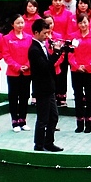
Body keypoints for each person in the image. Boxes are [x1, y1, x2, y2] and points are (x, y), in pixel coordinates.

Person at [28, 19, 63, 152]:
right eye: (44, 33)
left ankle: (48, 142)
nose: (47, 36)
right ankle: (38, 145)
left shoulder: (42, 46)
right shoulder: (34, 49)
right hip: (42, 89)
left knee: (53, 117)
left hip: (49, 88)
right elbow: (45, 66)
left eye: (48, 32)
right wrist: (57, 53)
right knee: (43, 119)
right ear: (36, 33)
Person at [68, 13, 91, 133]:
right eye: (80, 22)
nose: (83, 25)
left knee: (90, 97)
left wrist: (87, 66)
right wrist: (76, 66)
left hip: (89, 71)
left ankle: (89, 123)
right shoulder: (73, 37)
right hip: (76, 71)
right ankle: (80, 123)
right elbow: (70, 54)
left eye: (85, 22)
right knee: (78, 96)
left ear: (89, 22)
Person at [2, 14, 32, 132]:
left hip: (26, 72)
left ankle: (23, 120)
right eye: (18, 23)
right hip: (13, 73)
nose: (20, 25)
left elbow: (32, 53)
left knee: (25, 96)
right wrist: (17, 66)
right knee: (14, 97)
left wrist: (27, 65)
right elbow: (6, 55)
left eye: (22, 23)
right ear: (12, 24)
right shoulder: (6, 38)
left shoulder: (29, 38)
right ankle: (14, 121)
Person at [44, 0, 73, 106]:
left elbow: (69, 30)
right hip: (48, 43)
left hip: (62, 45)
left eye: (60, 0)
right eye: (55, 0)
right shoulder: (46, 13)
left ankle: (62, 95)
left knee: (62, 72)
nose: (57, 2)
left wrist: (63, 44)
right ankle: (52, 96)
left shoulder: (68, 14)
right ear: (52, 1)